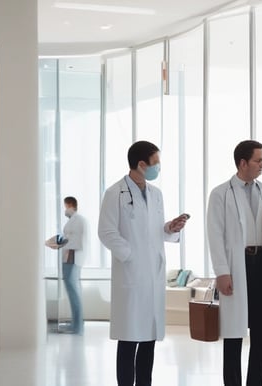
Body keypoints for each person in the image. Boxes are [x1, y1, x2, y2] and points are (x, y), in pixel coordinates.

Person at [98, 140, 188, 386]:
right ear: (140, 164)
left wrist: (170, 228)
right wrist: (131, 255)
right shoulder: (115, 193)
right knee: (128, 340)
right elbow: (106, 232)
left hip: (153, 276)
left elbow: (153, 231)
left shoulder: (156, 194)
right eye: (155, 163)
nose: (158, 168)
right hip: (131, 275)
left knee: (148, 339)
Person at [207, 139, 262, 386]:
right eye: (258, 160)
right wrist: (221, 271)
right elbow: (215, 234)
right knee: (234, 332)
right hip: (237, 266)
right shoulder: (221, 193)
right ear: (243, 163)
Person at [45, 196, 87, 335]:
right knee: (72, 292)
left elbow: (78, 241)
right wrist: (59, 242)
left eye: (65, 207)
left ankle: (77, 326)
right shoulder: (73, 221)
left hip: (72, 258)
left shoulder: (79, 220)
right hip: (68, 257)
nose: (65, 210)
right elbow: (68, 237)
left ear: (70, 205)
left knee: (74, 293)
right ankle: (75, 324)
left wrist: (61, 243)